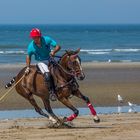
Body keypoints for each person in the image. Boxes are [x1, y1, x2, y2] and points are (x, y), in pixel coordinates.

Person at [25, 28, 61, 101]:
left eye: (36, 37)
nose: (35, 39)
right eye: (33, 37)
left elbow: (58, 46)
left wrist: (54, 51)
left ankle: (71, 83)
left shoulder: (47, 39)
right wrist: (28, 67)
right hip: (41, 62)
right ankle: (52, 93)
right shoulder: (31, 46)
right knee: (47, 74)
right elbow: (28, 56)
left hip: (50, 58)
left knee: (63, 66)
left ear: (40, 36)